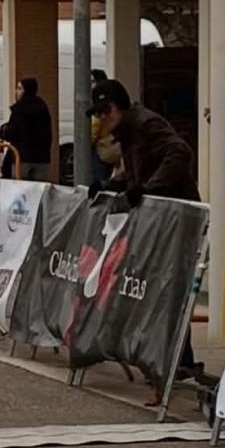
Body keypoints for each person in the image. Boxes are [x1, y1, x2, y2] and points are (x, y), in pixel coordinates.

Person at [85, 78, 202, 379]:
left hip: (177, 218)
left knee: (170, 287)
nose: (100, 119)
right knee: (158, 287)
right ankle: (175, 358)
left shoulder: (146, 124)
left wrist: (151, 189)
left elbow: (179, 153)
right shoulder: (128, 130)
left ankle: (178, 358)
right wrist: (111, 184)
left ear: (116, 108)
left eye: (103, 112)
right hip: (160, 220)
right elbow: (137, 171)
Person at [0, 77, 53, 181]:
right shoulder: (42, 106)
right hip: (42, 158)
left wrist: (4, 131)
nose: (16, 92)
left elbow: (14, 131)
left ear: (26, 90)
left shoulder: (20, 109)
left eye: (20, 88)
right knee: (37, 188)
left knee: (20, 187)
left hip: (22, 157)